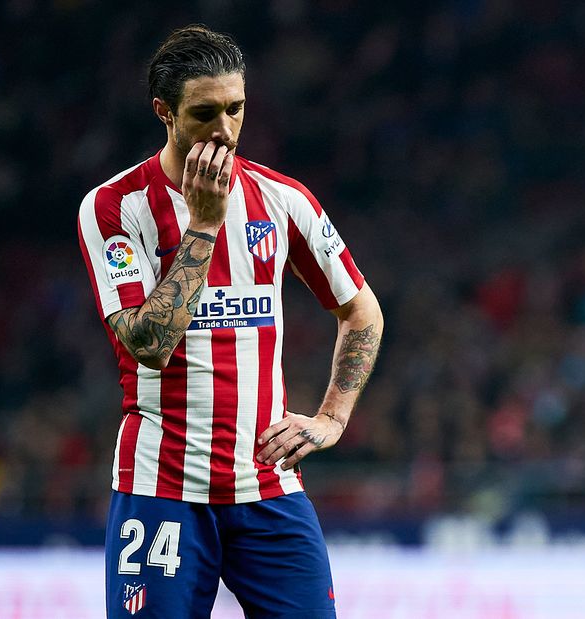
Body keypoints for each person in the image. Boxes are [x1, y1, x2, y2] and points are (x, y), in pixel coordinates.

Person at [78, 25, 383, 619]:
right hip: (162, 490)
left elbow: (360, 309)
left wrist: (333, 417)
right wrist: (204, 226)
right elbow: (148, 344)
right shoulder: (115, 206)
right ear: (164, 112)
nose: (224, 128)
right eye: (204, 113)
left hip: (267, 485)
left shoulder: (283, 200)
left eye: (236, 108)